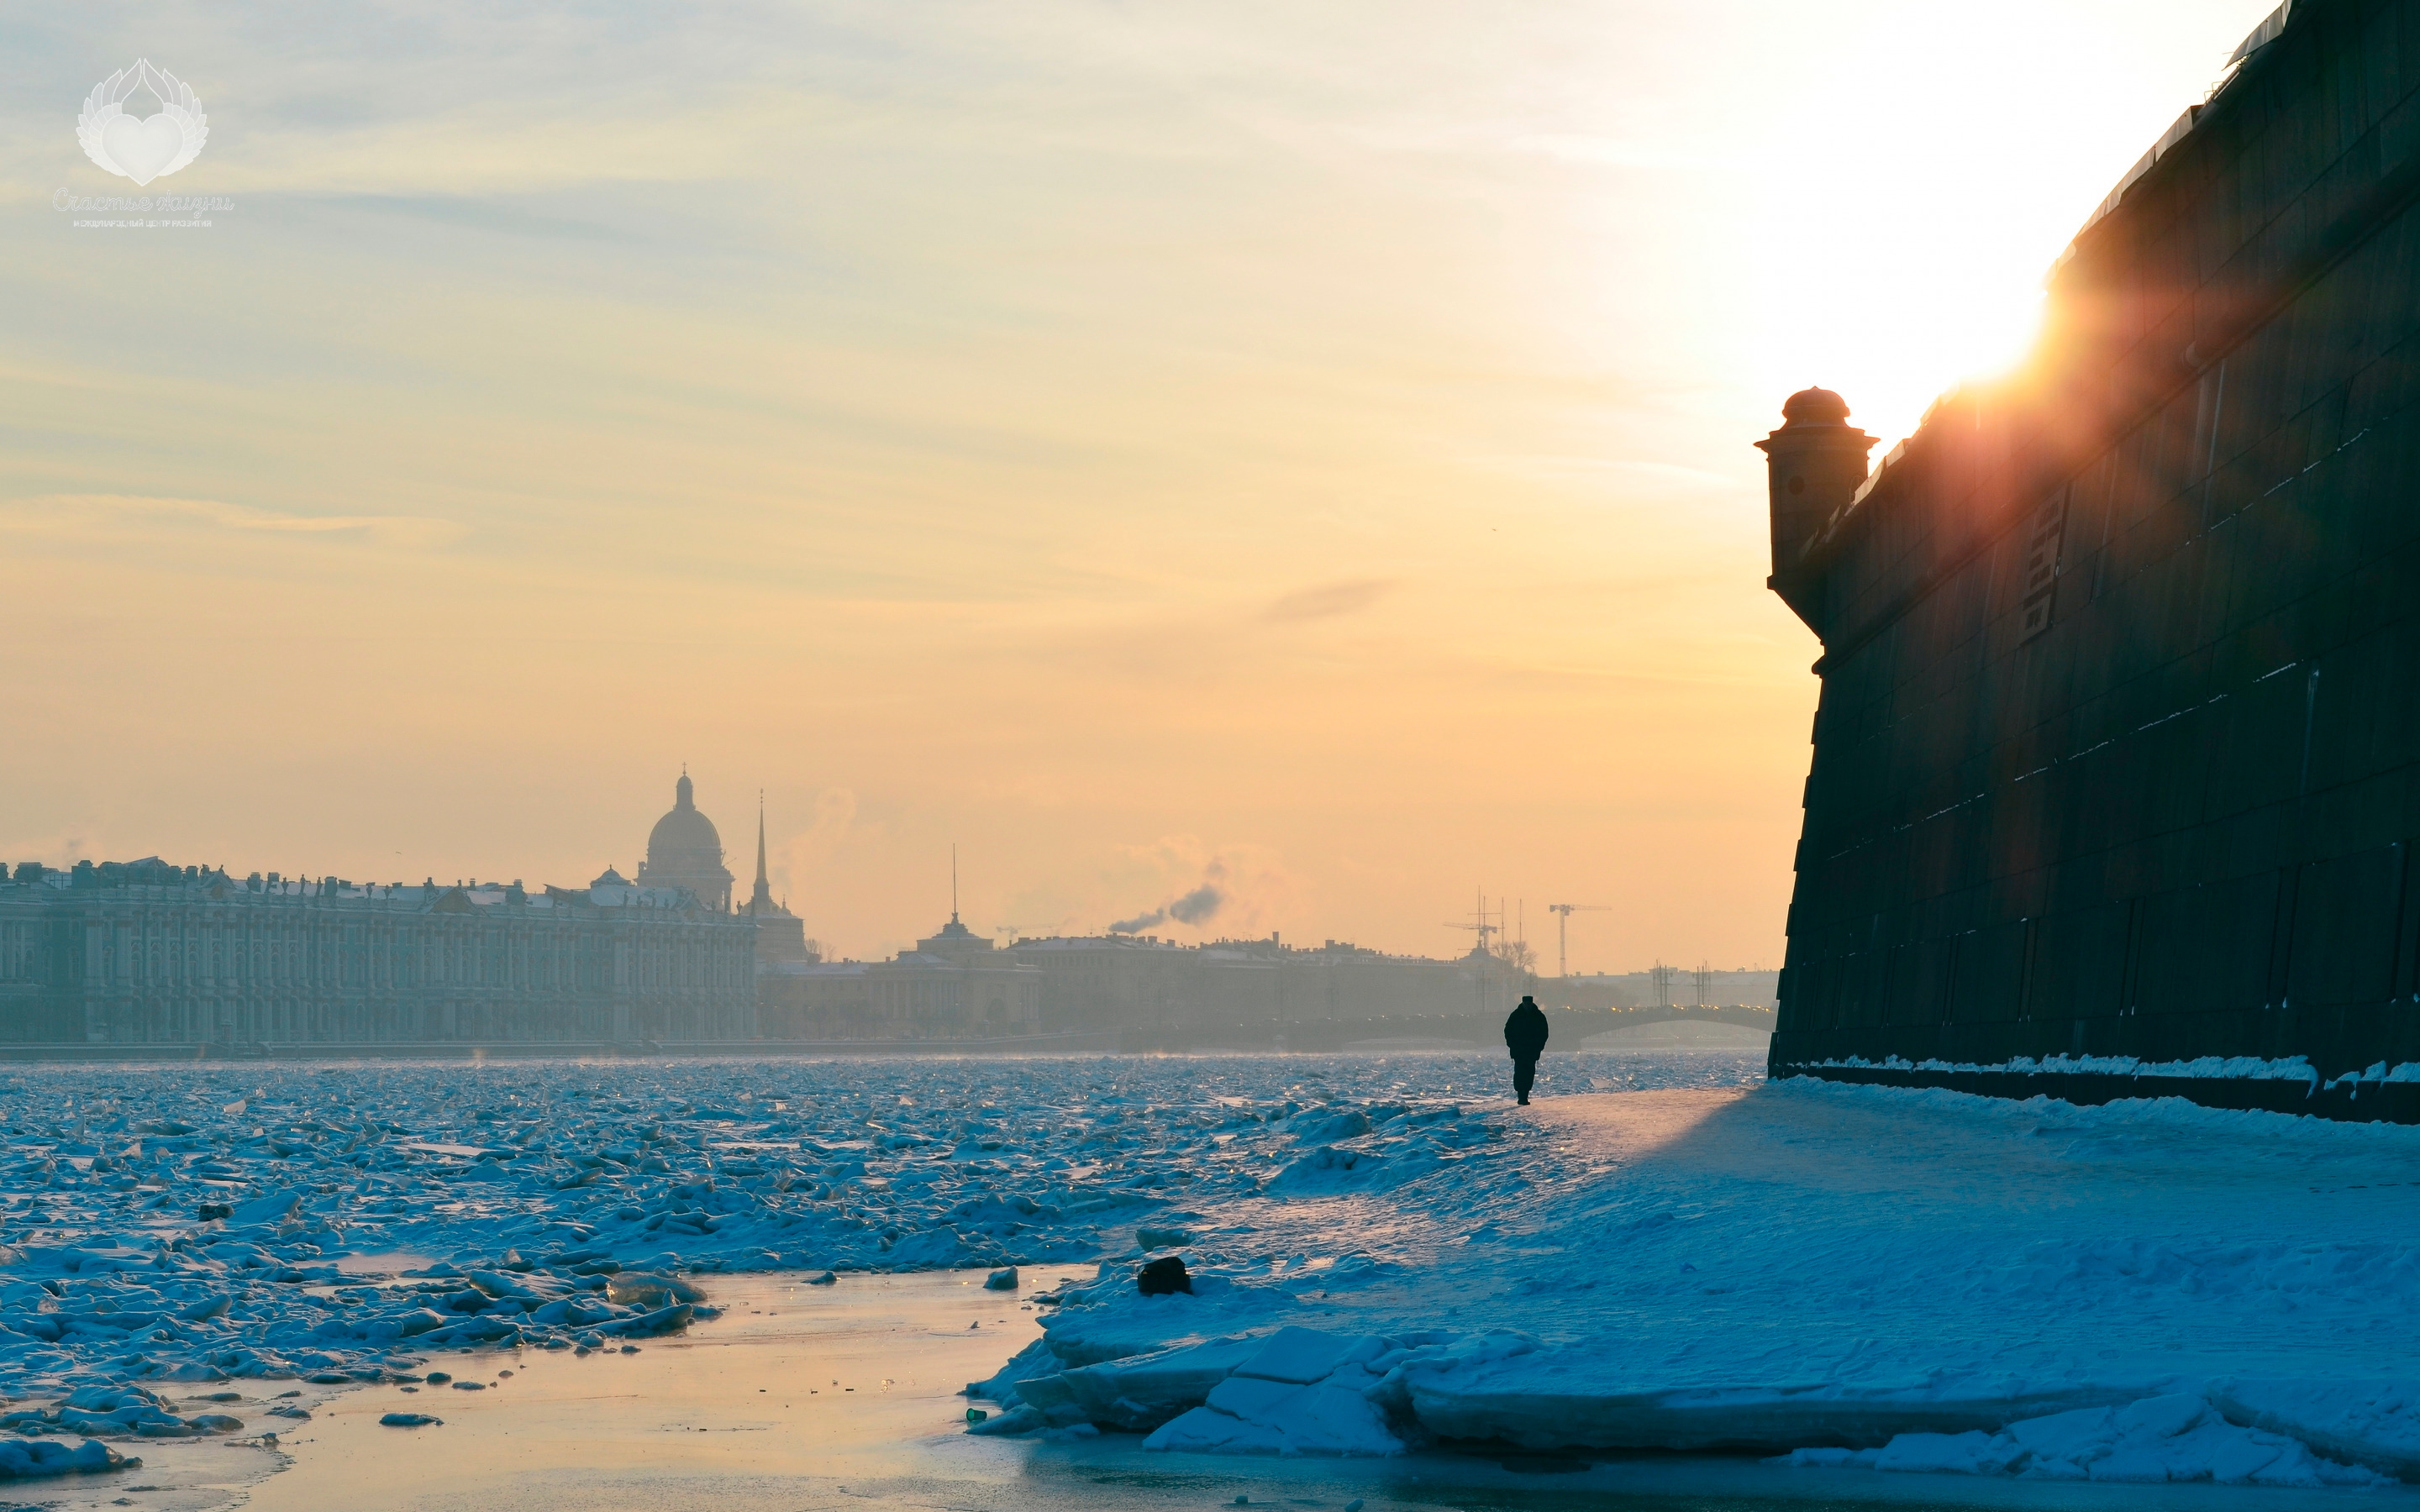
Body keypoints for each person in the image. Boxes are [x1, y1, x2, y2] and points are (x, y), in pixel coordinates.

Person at [1503, 994, 1549, 1105]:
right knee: (1520, 1072)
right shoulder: (1516, 1015)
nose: (1528, 1006)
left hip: (1531, 1050)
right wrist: (1512, 1044)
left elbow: (1544, 1033)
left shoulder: (1538, 1016)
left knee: (1529, 1073)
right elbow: (1508, 1031)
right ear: (1523, 1003)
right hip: (1520, 1050)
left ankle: (1525, 1095)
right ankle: (1521, 1096)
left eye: (1529, 1004)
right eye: (1526, 1004)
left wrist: (1540, 1046)